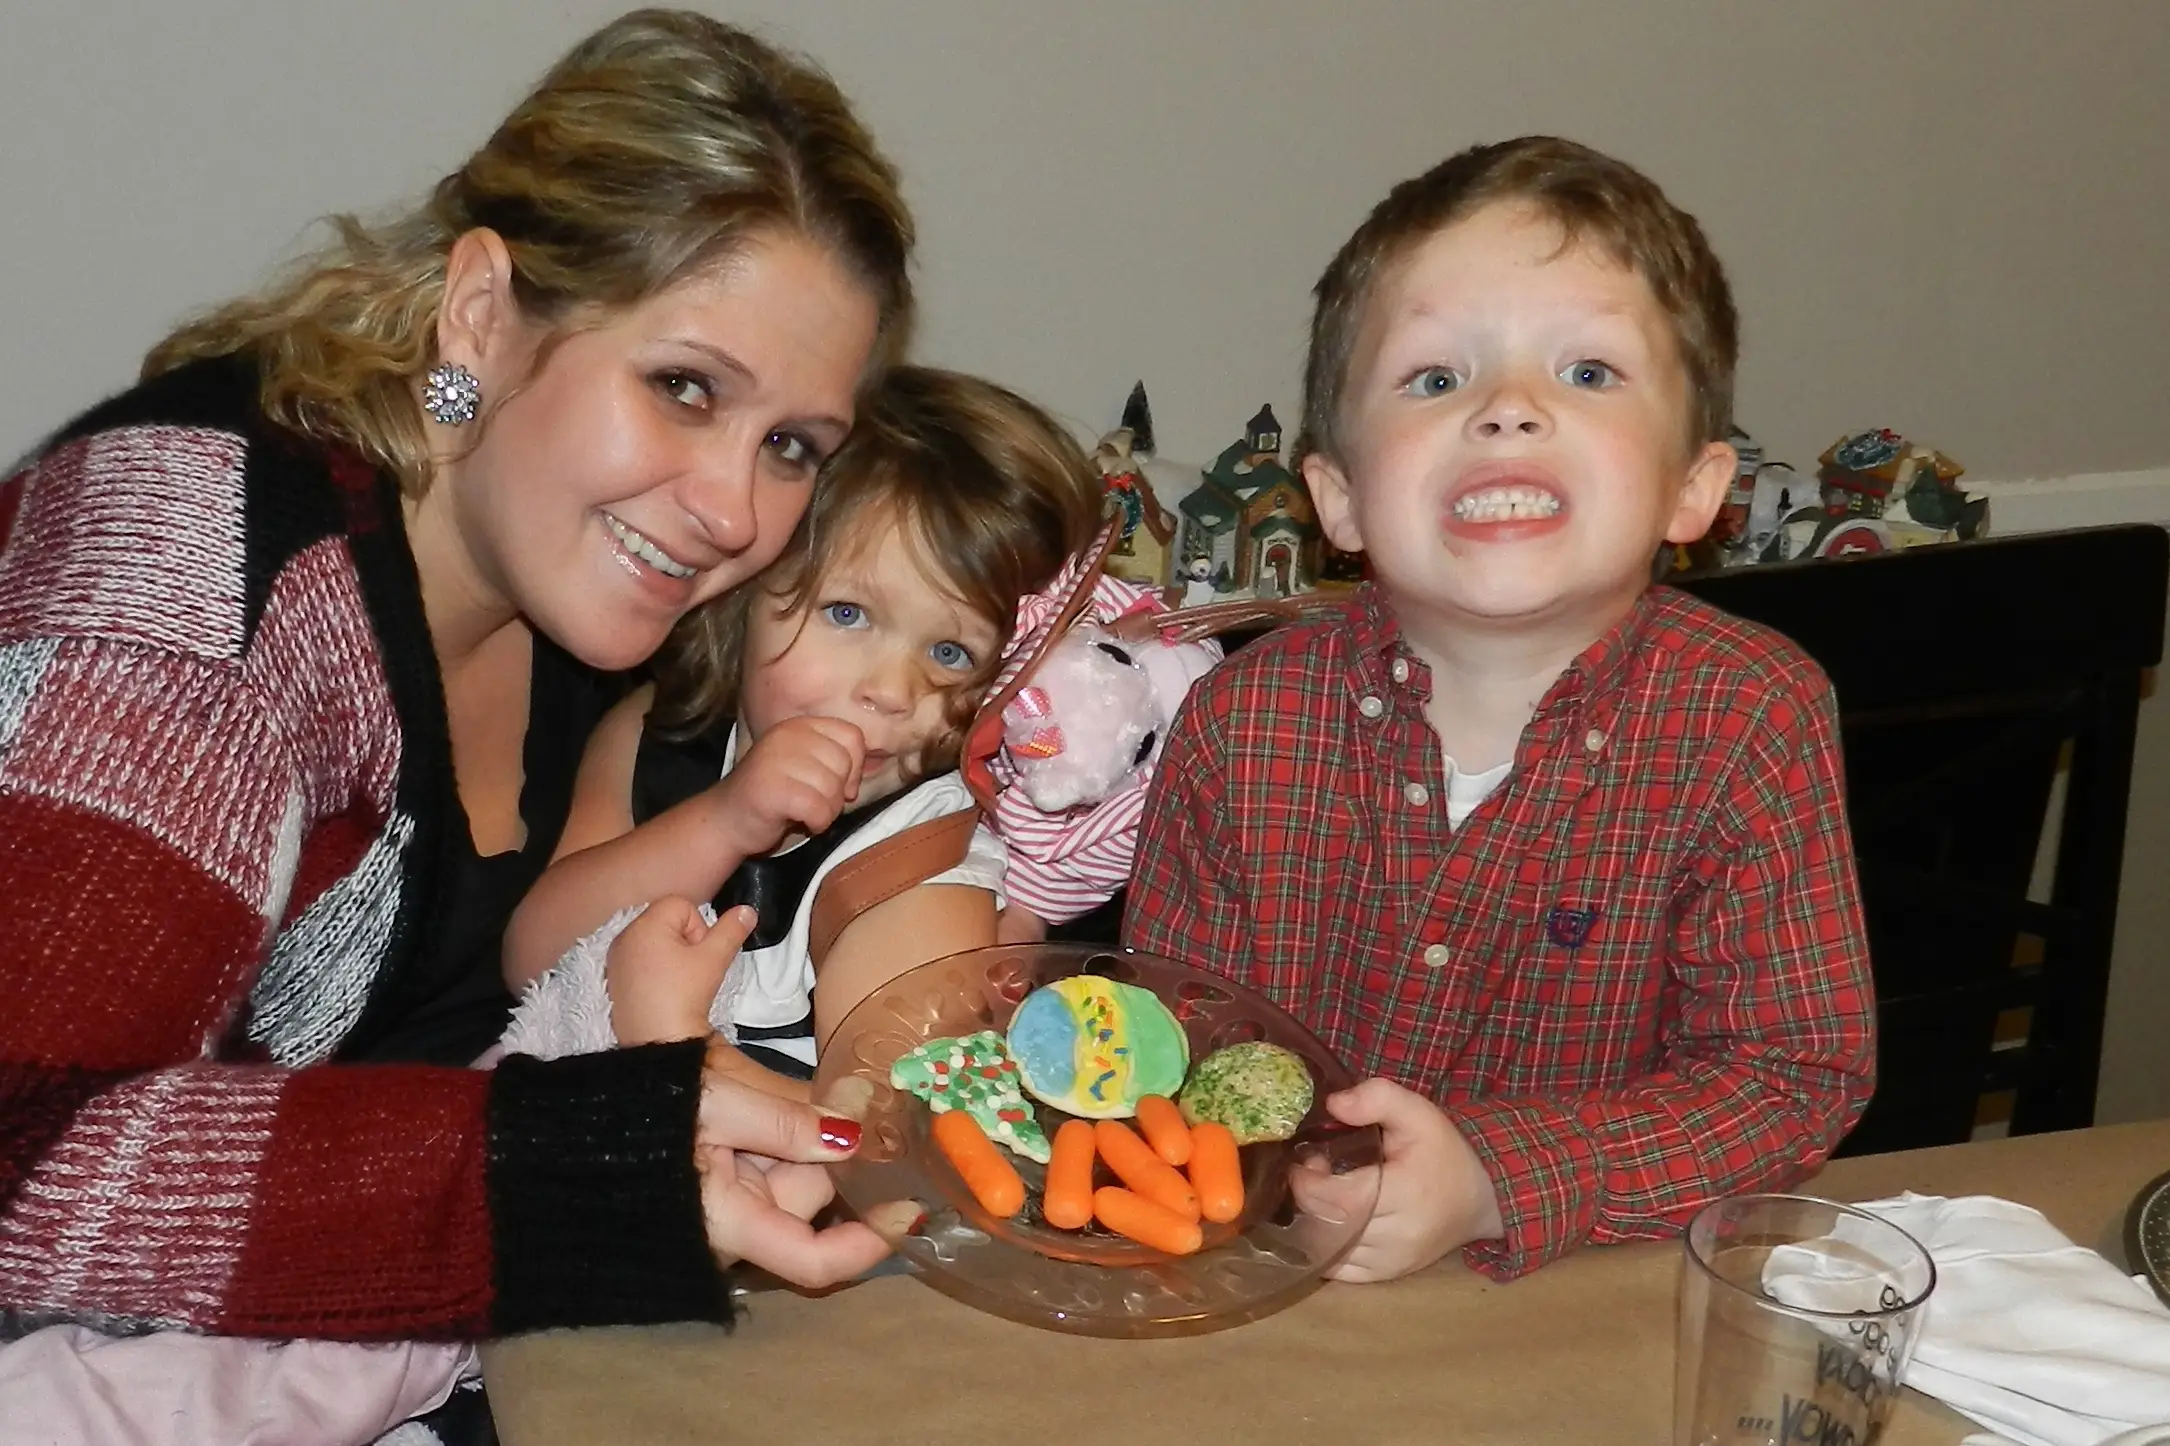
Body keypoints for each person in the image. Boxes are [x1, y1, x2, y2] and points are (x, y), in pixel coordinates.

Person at [0, 5, 916, 1369]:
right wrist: (578, 1170)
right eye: (680, 385)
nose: (732, 508)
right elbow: (22, 1157)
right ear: (481, 313)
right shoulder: (191, 594)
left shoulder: (578, 583)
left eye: (791, 443)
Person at [1123, 136, 1877, 1284]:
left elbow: (1789, 1078)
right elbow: (1174, 1054)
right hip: (1279, 1299)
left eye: (1586, 372)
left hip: (1588, 1308)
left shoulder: (1747, 716)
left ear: (1694, 487)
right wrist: (1270, 1174)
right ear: (1337, 498)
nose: (1509, 412)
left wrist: (1491, 1178)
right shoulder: (1240, 724)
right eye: (1436, 379)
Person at [498, 365, 1105, 1081]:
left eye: (950, 652)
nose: (890, 691)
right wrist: (723, 823)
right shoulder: (655, 734)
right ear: (746, 588)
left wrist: (681, 1044)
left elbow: (880, 1132)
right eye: (847, 614)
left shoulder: (926, 853)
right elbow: (531, 958)